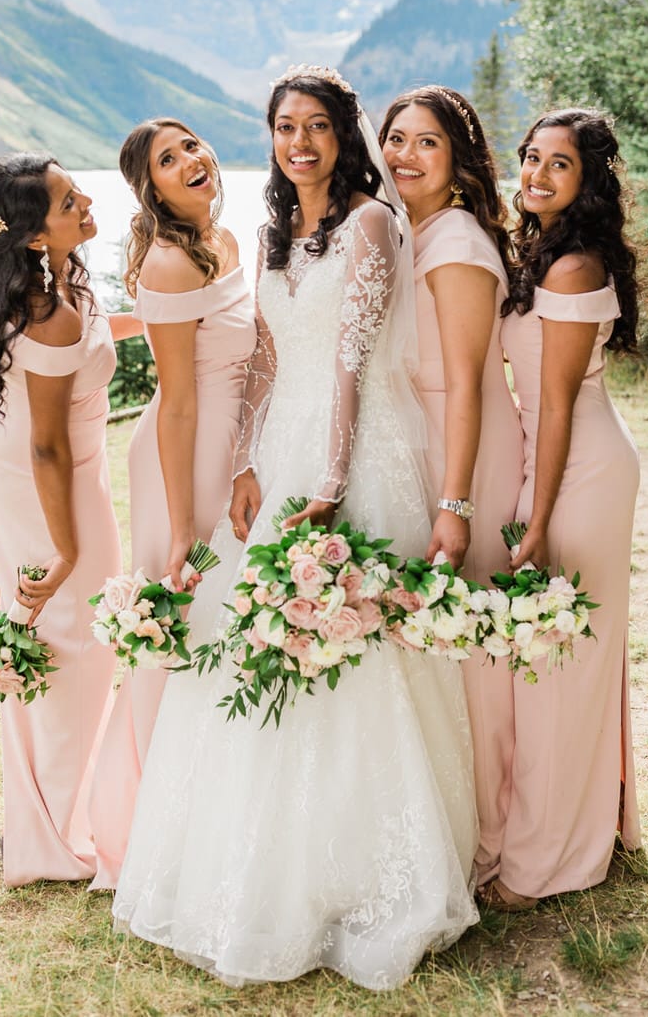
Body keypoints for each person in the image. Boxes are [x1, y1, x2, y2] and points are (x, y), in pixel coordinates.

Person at [113, 65, 478, 989]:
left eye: (317, 126)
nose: (300, 142)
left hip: (353, 453)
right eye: (284, 126)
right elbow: (269, 360)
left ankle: (362, 871)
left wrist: (328, 478)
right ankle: (261, 868)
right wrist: (244, 460)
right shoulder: (275, 232)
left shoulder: (367, 222)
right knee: (263, 642)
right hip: (277, 449)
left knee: (352, 652)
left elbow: (350, 366)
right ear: (270, 137)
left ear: (342, 134)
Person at [88, 119, 255, 888]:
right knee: (178, 628)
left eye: (192, 144)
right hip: (180, 460)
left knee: (226, 625)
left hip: (231, 445)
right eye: (168, 158)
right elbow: (179, 404)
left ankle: (221, 803)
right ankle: (147, 823)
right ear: (149, 188)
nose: (191, 159)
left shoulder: (220, 238)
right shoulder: (166, 263)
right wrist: (186, 518)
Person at [0, 153, 140, 887]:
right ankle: (53, 832)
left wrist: (179, 317)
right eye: (70, 200)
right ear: (36, 235)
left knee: (61, 636)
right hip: (45, 475)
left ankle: (48, 814)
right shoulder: (50, 306)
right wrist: (65, 549)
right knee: (72, 638)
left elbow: (95, 336)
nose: (87, 201)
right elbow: (46, 442)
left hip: (49, 463)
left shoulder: (54, 284)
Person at [494, 107, 642, 906]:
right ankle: (588, 823)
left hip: (580, 469)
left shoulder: (574, 268)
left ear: (588, 183)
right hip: (559, 458)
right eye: (530, 158)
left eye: (558, 165)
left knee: (558, 665)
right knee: (559, 660)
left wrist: (539, 520)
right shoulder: (541, 252)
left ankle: (549, 859)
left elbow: (553, 407)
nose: (536, 175)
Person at [380, 85, 523, 892]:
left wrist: (456, 503)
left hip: (467, 448)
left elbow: (467, 384)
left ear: (459, 160)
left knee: (473, 645)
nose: (404, 154)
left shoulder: (458, 242)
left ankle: (494, 836)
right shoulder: (417, 233)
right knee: (448, 643)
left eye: (425, 142)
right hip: (433, 442)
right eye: (396, 139)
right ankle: (461, 822)